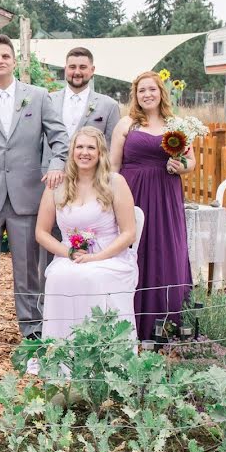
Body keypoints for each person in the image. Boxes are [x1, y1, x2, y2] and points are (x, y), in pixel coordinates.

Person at [0, 34, 69, 342]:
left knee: (28, 265)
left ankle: (31, 325)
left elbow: (60, 138)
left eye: (6, 56)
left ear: (14, 61)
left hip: (27, 196)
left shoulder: (38, 96)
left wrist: (58, 164)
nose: (1, 61)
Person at [110, 71, 194, 340]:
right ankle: (127, 322)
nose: (147, 94)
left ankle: (166, 323)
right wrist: (111, 200)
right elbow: (113, 166)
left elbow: (191, 162)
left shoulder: (176, 125)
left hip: (166, 195)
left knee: (167, 250)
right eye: (141, 90)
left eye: (152, 89)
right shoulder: (126, 124)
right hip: (132, 194)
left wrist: (181, 167)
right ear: (135, 95)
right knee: (134, 250)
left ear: (161, 92)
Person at [36, 127, 138, 339]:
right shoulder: (57, 184)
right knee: (56, 276)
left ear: (100, 153)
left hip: (109, 257)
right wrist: (69, 253)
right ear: (72, 151)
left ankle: (100, 353)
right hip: (70, 256)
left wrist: (96, 257)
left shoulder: (115, 182)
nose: (85, 152)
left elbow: (129, 233)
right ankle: (61, 352)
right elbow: (41, 232)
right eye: (79, 147)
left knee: (91, 276)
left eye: (91, 147)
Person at [40, 47, 121, 283]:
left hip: (91, 187)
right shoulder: (47, 100)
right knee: (48, 243)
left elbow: (113, 152)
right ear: (65, 69)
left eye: (83, 67)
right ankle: (46, 301)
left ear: (92, 70)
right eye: (72, 67)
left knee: (89, 244)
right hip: (52, 183)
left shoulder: (107, 105)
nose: (77, 72)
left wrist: (107, 186)